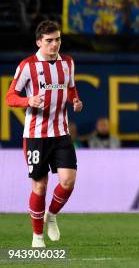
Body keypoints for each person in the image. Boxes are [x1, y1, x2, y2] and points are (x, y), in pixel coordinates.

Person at [4, 20, 83, 248]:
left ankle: (52, 215)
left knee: (68, 182)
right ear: (39, 42)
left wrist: (74, 100)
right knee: (40, 186)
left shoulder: (67, 62)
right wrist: (28, 100)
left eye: (57, 39)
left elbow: (69, 88)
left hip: (61, 132)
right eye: (49, 41)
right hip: (36, 135)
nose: (54, 44)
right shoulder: (27, 66)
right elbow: (10, 97)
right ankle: (37, 236)